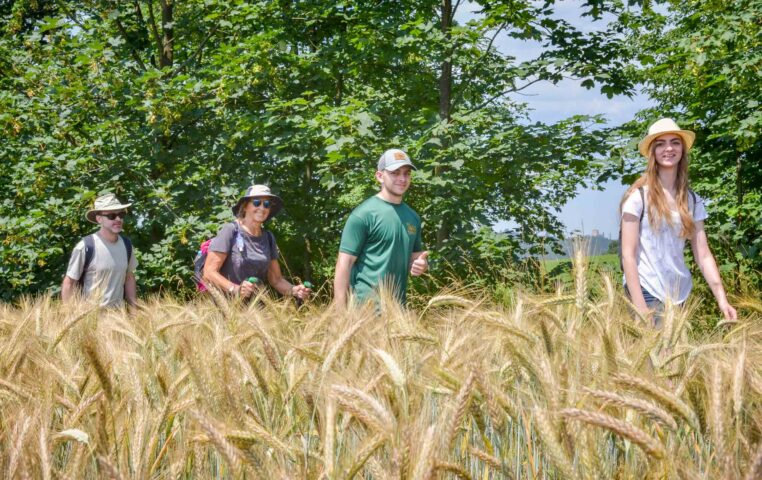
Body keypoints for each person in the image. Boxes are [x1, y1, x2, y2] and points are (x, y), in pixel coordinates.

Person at [620, 118, 737, 326]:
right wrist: (640, 306)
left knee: (674, 356)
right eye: (660, 144)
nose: (668, 148)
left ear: (682, 149)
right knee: (658, 356)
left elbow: (703, 254)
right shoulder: (637, 198)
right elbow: (628, 255)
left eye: (675, 142)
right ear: (652, 153)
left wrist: (722, 299)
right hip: (646, 288)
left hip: (679, 292)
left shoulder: (692, 200)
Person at [334, 148, 429, 307]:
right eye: (395, 173)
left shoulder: (413, 217)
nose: (402, 178)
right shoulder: (363, 214)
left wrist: (422, 265)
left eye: (406, 173)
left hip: (398, 312)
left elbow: (416, 257)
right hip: (364, 312)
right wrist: (339, 314)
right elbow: (344, 264)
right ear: (380, 176)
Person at [203, 185, 311, 301]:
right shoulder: (230, 230)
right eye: (256, 202)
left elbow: (276, 280)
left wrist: (294, 290)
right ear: (245, 206)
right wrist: (236, 289)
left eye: (267, 204)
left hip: (256, 310)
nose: (262, 207)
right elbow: (209, 272)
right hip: (226, 308)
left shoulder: (268, 237)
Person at [61, 193, 138, 308]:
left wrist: (134, 310)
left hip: (119, 321)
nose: (118, 219)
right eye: (112, 216)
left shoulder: (127, 246)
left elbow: (129, 278)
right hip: (91, 320)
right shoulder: (86, 247)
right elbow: (69, 283)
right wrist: (70, 315)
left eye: (121, 215)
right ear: (99, 219)